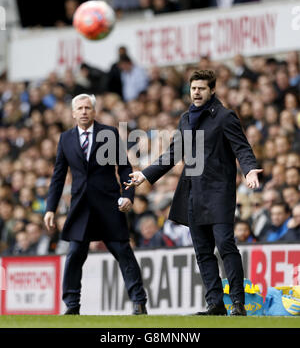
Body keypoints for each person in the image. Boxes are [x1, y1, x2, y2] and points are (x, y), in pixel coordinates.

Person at [125, 70, 262, 316]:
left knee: (225, 245)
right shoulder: (186, 119)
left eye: (201, 88)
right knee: (202, 251)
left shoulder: (225, 116)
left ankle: (238, 303)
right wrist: (145, 174)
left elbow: (242, 148)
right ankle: (215, 304)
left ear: (212, 90)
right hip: (194, 193)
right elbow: (173, 154)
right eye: (193, 88)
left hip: (219, 191)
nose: (196, 92)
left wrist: (250, 170)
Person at [44, 93, 147, 315]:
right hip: (81, 207)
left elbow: (125, 168)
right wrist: (50, 208)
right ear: (72, 113)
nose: (83, 111)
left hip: (109, 205)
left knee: (123, 252)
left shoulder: (109, 133)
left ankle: (139, 302)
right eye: (79, 108)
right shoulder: (65, 139)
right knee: (74, 256)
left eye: (87, 108)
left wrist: (128, 195)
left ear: (94, 111)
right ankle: (72, 305)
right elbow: (58, 176)